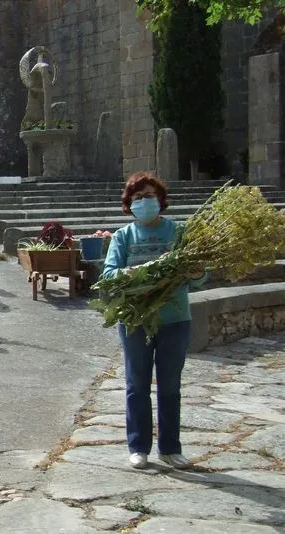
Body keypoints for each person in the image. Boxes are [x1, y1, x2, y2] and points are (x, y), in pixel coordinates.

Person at [102, 171, 207, 470]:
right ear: (128, 205)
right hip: (135, 320)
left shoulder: (179, 234)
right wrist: (132, 274)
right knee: (136, 384)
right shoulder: (123, 237)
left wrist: (196, 272)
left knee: (170, 385)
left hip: (175, 319)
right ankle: (138, 447)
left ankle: (170, 448)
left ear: (160, 200)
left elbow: (200, 278)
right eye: (137, 199)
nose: (143, 202)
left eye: (149, 196)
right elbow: (109, 275)